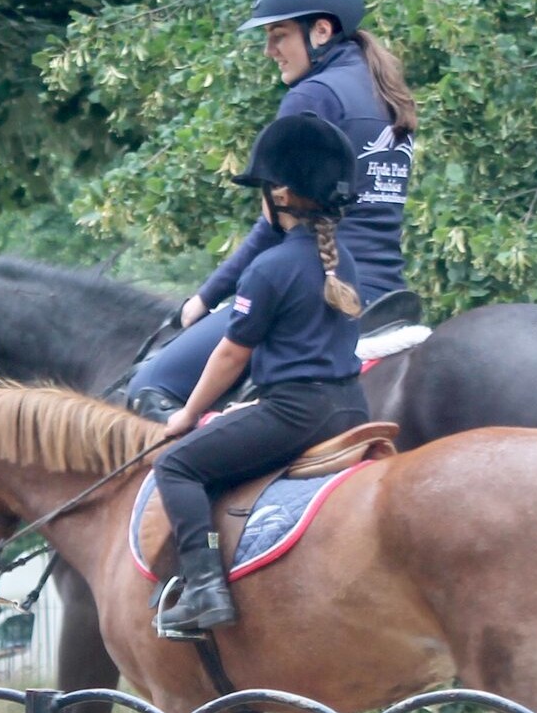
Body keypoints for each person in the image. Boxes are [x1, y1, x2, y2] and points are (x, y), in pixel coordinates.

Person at [128, 0, 418, 420]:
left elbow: (275, 223)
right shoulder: (385, 92)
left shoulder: (313, 95)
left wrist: (204, 298)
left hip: (312, 287)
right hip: (385, 292)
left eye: (278, 35)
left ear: (320, 31)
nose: (270, 50)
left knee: (151, 384)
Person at [152, 114, 372, 636]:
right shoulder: (343, 263)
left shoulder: (269, 268)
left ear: (281, 193)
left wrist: (187, 414)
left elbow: (231, 355)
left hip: (297, 413)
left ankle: (204, 590)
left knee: (178, 467)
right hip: (349, 405)